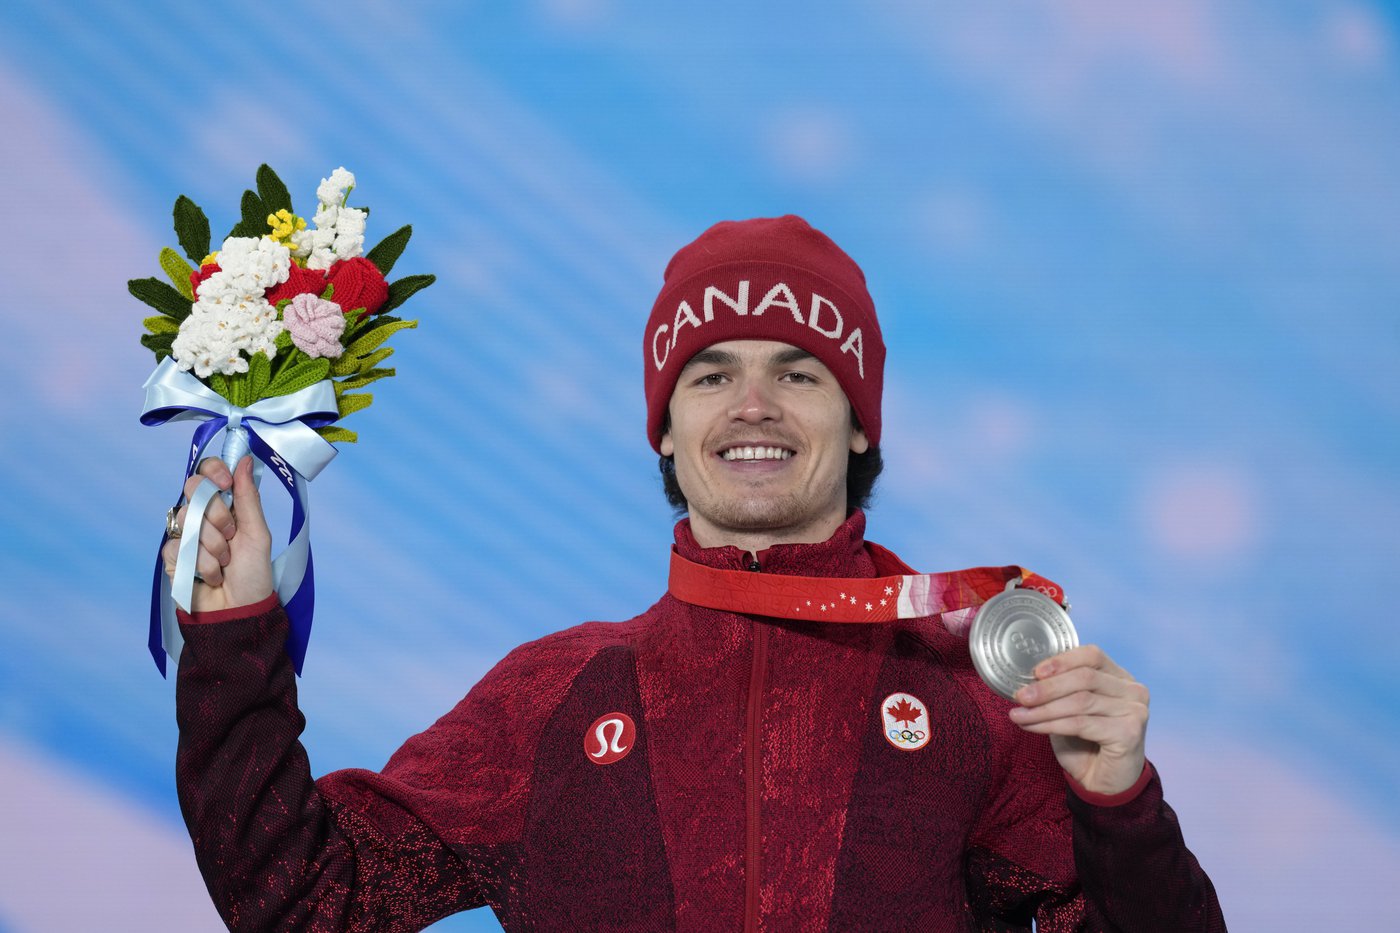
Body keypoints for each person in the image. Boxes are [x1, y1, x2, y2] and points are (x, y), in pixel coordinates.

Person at [165, 216, 1225, 931]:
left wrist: (1117, 806)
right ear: (665, 430)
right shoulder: (550, 698)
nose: (753, 406)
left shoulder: (975, 699)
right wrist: (233, 637)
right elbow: (307, 899)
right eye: (711, 375)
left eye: (798, 374)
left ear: (859, 422)